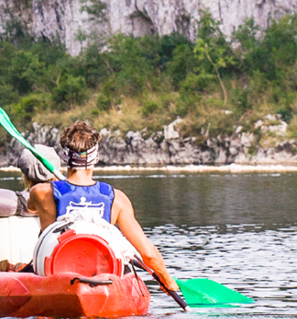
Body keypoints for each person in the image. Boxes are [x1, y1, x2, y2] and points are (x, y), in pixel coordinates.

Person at [25, 122, 182, 295]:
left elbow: (30, 208)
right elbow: (148, 253)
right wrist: (167, 280)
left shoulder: (40, 192)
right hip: (104, 277)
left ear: (65, 158)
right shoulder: (117, 199)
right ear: (95, 158)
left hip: (54, 272)